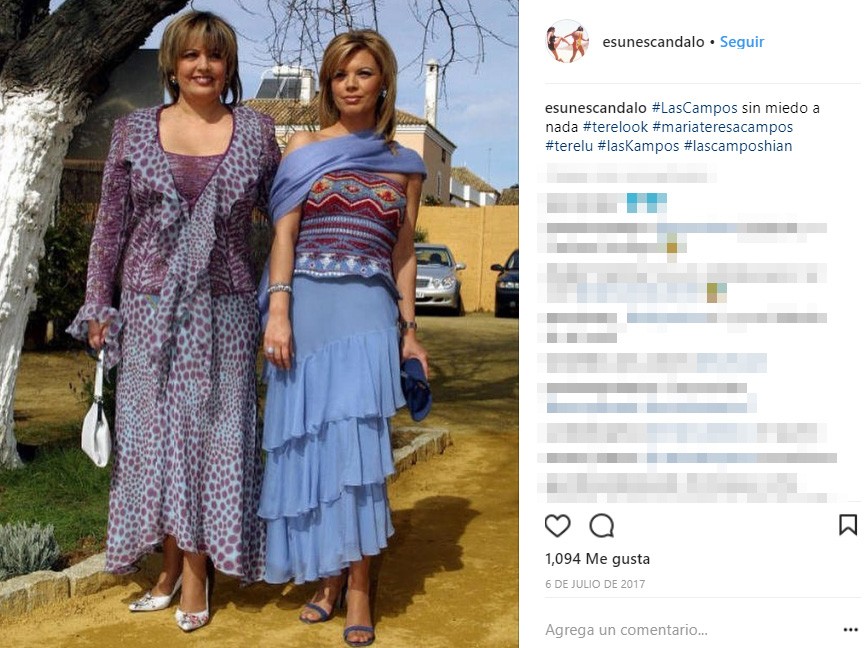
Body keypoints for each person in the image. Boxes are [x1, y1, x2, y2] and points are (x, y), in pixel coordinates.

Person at [66, 10, 280, 632]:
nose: (202, 66)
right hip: (149, 307)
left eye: (214, 55)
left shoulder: (257, 132)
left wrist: (292, 293)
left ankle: (194, 573)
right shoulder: (134, 130)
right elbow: (110, 225)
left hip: (225, 310)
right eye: (190, 55)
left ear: (229, 66)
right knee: (155, 439)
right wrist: (98, 303)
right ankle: (169, 568)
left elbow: (284, 216)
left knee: (213, 438)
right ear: (172, 63)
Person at [258, 29, 428, 647]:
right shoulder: (303, 147)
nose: (350, 84)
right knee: (310, 449)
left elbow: (403, 253)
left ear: (383, 82)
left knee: (355, 457)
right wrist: (278, 311)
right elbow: (283, 234)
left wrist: (410, 333)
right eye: (339, 74)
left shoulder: (406, 163)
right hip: (306, 312)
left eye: (362, 73)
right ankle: (324, 577)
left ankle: (357, 588)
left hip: (368, 319)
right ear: (328, 84)